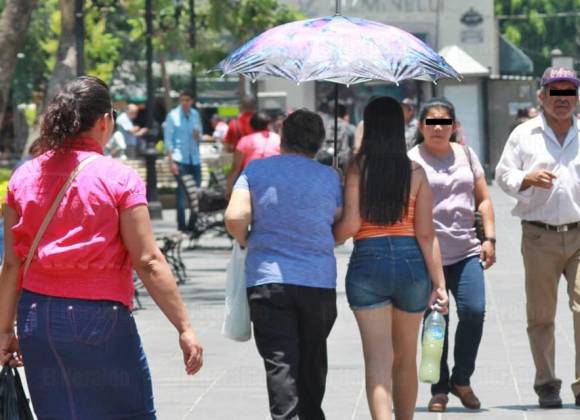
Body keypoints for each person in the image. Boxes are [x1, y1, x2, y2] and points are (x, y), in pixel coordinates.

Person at [0, 76, 203, 419]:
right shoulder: (118, 178)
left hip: (37, 319)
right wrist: (184, 327)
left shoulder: (24, 176)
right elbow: (149, 260)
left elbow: (11, 265)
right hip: (98, 319)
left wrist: (5, 330)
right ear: (103, 121)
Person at [333, 97, 448, 420]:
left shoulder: (356, 168)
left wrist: (329, 235)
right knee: (405, 358)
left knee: (378, 361)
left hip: (368, 263)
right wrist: (439, 283)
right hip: (412, 264)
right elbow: (426, 234)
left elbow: (352, 225)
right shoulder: (416, 171)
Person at [224, 109, 342, 420]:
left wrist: (249, 240)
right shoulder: (330, 176)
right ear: (319, 142)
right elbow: (342, 222)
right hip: (317, 281)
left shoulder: (256, 171)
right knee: (313, 356)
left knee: (280, 361)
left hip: (268, 279)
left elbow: (235, 217)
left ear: (283, 139)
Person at [495, 66, 580, 409]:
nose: (562, 100)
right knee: (542, 314)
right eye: (555, 93)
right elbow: (502, 174)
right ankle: (546, 383)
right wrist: (526, 179)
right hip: (539, 237)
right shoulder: (523, 134)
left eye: (569, 92)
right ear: (542, 97)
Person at [408, 97, 496, 412]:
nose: (438, 128)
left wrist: (489, 238)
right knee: (436, 320)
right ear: (421, 127)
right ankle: (440, 388)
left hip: (466, 251)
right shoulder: (411, 160)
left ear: (454, 126)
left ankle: (462, 378)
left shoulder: (466, 155)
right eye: (431, 122)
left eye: (445, 122)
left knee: (474, 311)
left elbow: (483, 199)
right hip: (426, 256)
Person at [164, 90, 204, 232]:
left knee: (197, 193)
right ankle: (182, 225)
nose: (185, 103)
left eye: (187, 100)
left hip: (194, 158)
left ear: (192, 101)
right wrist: (171, 162)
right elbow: (168, 141)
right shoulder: (173, 116)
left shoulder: (195, 115)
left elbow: (201, 137)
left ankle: (193, 224)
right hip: (180, 159)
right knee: (181, 193)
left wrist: (198, 135)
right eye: (182, 100)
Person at [225, 111, 281, 199]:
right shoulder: (278, 139)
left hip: (252, 185)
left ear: (251, 126)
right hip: (275, 184)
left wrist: (229, 187)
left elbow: (236, 167)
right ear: (267, 125)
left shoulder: (245, 141)